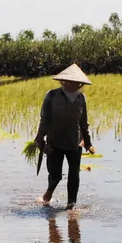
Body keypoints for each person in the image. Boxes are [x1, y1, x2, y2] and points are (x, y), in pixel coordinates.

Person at [35, 64, 96, 210]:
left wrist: (88, 143)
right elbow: (45, 119)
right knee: (55, 174)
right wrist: (39, 138)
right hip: (55, 140)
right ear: (64, 82)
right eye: (71, 82)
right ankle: (49, 191)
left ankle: (71, 204)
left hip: (75, 142)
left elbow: (83, 122)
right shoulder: (52, 95)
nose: (74, 85)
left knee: (74, 173)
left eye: (77, 83)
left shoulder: (81, 98)